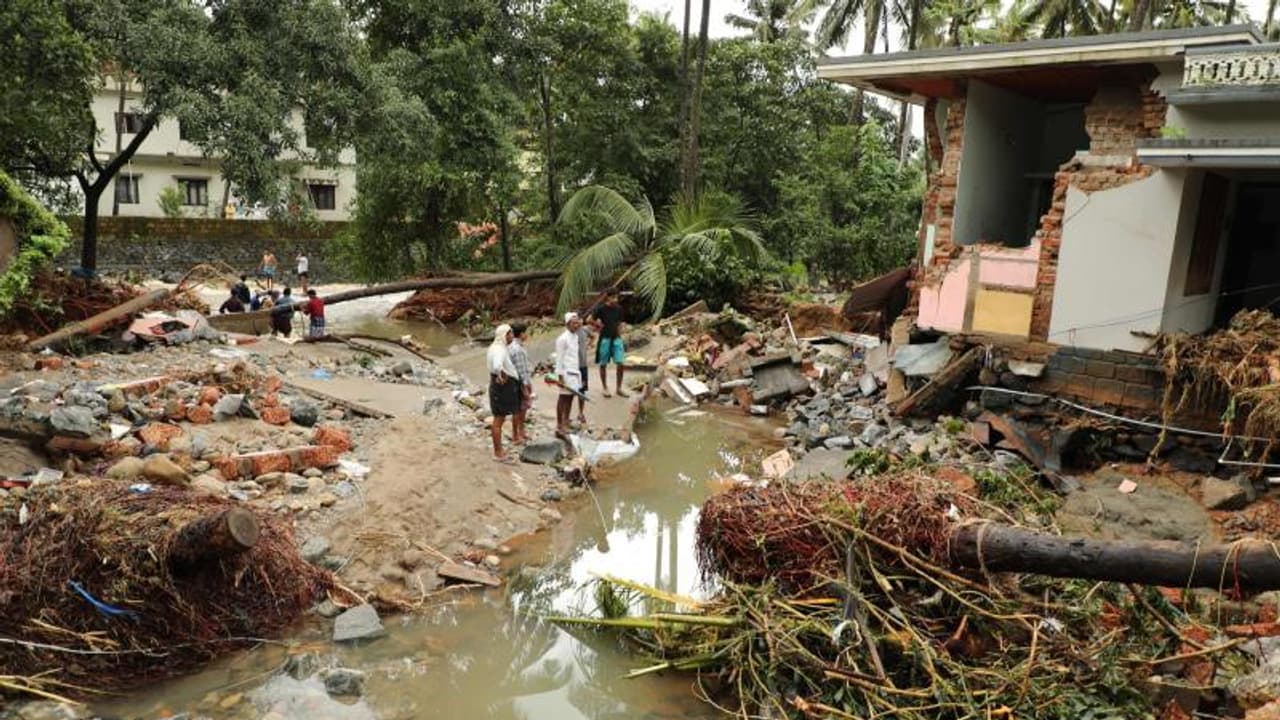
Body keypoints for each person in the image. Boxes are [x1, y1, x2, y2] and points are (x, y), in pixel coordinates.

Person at [487, 323, 521, 462]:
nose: (512, 336)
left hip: (498, 385)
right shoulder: (500, 350)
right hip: (501, 386)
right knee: (499, 419)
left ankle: (499, 450)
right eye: (510, 334)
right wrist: (501, 375)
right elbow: (496, 365)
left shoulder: (495, 347)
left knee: (499, 419)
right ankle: (498, 453)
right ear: (503, 335)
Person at [589, 289, 628, 398]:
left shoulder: (619, 309)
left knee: (620, 363)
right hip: (605, 338)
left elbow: (620, 322)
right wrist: (599, 326)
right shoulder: (601, 309)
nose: (615, 299)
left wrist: (620, 332)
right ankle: (605, 387)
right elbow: (589, 320)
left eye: (616, 297)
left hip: (616, 338)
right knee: (603, 363)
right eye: (613, 297)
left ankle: (619, 388)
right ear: (608, 297)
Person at [554, 313, 583, 439]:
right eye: (574, 323)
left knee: (570, 398)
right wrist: (560, 377)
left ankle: (566, 421)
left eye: (577, 322)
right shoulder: (562, 339)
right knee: (563, 398)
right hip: (565, 373)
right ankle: (560, 424)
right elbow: (559, 359)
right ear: (567, 324)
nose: (577, 325)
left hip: (574, 372)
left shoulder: (575, 337)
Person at [508, 323, 533, 445]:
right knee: (519, 410)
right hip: (519, 383)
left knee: (521, 409)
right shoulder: (517, 349)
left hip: (517, 382)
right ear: (521, 334)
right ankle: (516, 434)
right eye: (525, 332)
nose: (527, 335)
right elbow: (520, 370)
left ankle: (520, 432)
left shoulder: (515, 346)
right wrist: (526, 385)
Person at [575, 314, 592, 425]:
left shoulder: (585, 330)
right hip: (573, 366)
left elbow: (593, 336)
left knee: (582, 390)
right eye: (576, 320)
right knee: (571, 390)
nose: (579, 322)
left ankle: (581, 413)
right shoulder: (571, 333)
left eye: (580, 319)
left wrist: (589, 346)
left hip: (583, 365)